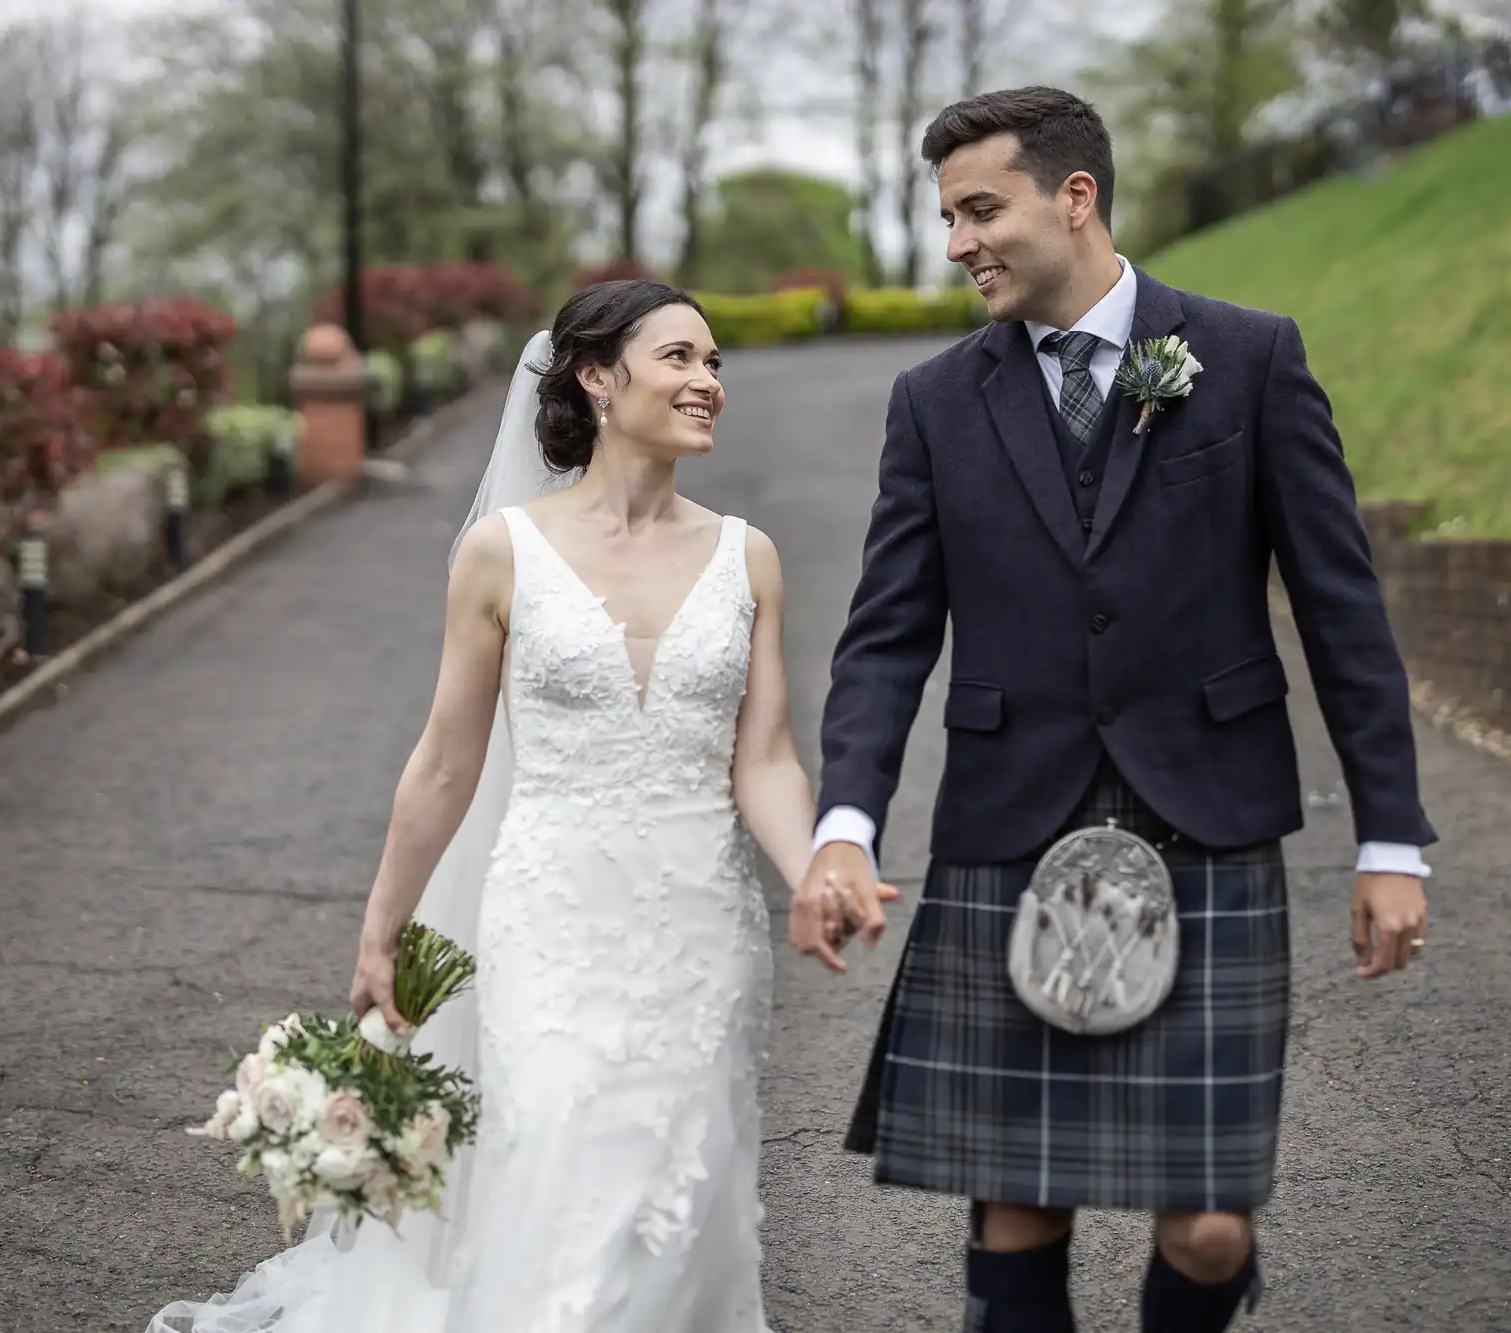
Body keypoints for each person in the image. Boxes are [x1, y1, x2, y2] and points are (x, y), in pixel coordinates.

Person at [793, 88, 1437, 1333]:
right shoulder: (933, 401)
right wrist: (846, 822)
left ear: (1073, 197)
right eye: (946, 218)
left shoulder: (1245, 358)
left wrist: (1389, 840)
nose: (957, 242)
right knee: (1018, 1204)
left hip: (1205, 822)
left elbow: (1342, 613)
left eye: (980, 209)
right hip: (1010, 823)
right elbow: (884, 637)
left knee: (1205, 1226)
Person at [148, 280, 873, 1333]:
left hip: (700, 931)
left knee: (685, 1182)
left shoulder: (744, 556)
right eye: (678, 357)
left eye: (714, 363)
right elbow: (446, 759)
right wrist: (380, 927)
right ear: (594, 376)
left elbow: (760, 758)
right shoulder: (504, 553)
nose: (707, 382)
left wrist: (817, 865)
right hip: (552, 920)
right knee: (569, 1170)